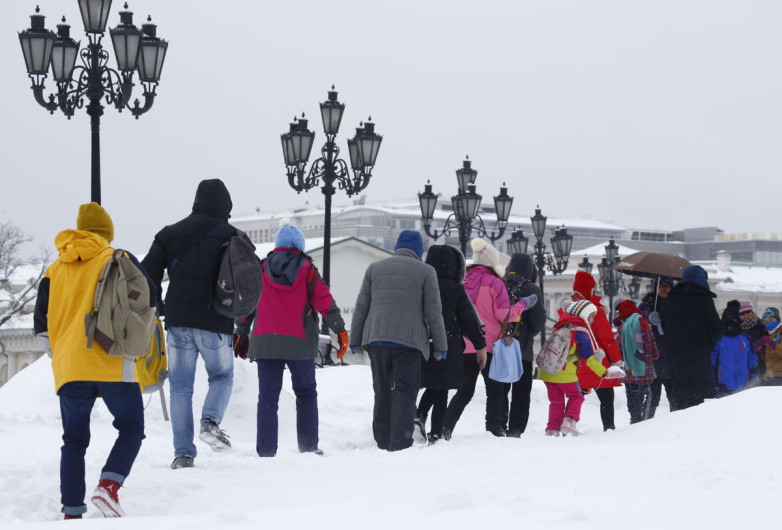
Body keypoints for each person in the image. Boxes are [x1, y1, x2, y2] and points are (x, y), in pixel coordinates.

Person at [33, 203, 155, 519]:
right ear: (107, 233)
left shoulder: (54, 269)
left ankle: (72, 511)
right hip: (112, 360)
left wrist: (61, 355)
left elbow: (40, 326)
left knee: (73, 439)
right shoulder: (119, 259)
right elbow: (149, 296)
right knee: (132, 427)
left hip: (70, 366)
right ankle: (109, 486)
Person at [141, 179, 238, 469]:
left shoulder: (170, 234)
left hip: (178, 322)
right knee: (221, 376)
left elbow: (147, 272)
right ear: (225, 205)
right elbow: (248, 279)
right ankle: (210, 421)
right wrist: (242, 317)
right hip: (216, 321)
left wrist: (158, 304)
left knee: (180, 388)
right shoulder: (232, 235)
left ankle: (183, 454)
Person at [233, 220, 348, 457]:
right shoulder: (308, 270)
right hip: (300, 343)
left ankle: (266, 451)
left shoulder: (261, 268)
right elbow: (324, 301)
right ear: (300, 245)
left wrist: (241, 333)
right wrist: (340, 330)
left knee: (267, 398)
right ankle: (308, 447)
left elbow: (247, 305)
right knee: (305, 393)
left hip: (266, 342)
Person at [350, 230, 448, 451]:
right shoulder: (426, 271)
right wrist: (441, 345)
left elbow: (361, 307)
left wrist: (355, 339)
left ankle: (382, 439)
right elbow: (434, 311)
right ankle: (400, 441)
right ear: (418, 250)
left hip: (378, 341)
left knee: (382, 390)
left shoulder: (375, 268)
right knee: (406, 390)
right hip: (409, 342)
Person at [441, 238, 537, 439]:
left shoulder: (463, 282)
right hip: (489, 346)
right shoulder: (495, 283)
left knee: (465, 391)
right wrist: (524, 305)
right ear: (493, 262)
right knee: (495, 390)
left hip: (465, 345)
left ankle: (446, 426)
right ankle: (494, 428)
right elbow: (504, 316)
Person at [415, 245, 486, 444]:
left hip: (423, 342)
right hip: (448, 343)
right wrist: (480, 346)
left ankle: (419, 416)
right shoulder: (455, 289)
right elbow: (469, 320)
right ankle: (435, 432)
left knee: (431, 383)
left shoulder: (423, 284)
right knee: (441, 388)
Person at [539, 299, 625, 437]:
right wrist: (604, 373)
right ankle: (569, 421)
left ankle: (552, 430)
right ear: (583, 315)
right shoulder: (580, 332)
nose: (592, 320)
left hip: (547, 372)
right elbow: (590, 359)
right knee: (577, 396)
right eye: (591, 316)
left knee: (556, 401)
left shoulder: (562, 326)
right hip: (564, 371)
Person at [659, 265, 722, 411]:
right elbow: (717, 331)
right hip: (698, 362)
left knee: (677, 405)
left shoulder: (669, 301)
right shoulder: (704, 301)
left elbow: (664, 328)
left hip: (676, 361)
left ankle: (674, 431)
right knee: (694, 408)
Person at [571, 271, 623, 431]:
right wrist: (617, 360)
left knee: (574, 397)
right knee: (607, 397)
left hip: (576, 362)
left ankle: (566, 426)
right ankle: (609, 429)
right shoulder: (594, 310)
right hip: (596, 361)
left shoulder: (569, 309)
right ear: (589, 289)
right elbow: (607, 339)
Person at [501, 252, 546, 437]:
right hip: (522, 350)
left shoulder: (500, 284)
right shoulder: (531, 289)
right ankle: (516, 428)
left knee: (500, 390)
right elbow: (538, 321)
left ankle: (499, 425)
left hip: (500, 346)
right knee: (521, 392)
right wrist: (527, 332)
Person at [615, 300, 658, 424]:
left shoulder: (623, 328)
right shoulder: (641, 322)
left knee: (633, 403)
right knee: (643, 399)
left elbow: (618, 349)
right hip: (644, 370)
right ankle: (640, 427)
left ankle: (635, 423)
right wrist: (652, 355)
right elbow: (651, 346)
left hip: (629, 372)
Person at [638, 276, 673, 417]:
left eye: (667, 286)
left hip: (670, 359)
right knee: (652, 398)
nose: (664, 289)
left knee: (674, 398)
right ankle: (646, 424)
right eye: (661, 286)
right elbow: (637, 329)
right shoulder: (646, 305)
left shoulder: (674, 305)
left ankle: (676, 426)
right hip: (652, 359)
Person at [712, 300, 758, 397]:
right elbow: (712, 361)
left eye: (733, 318)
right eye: (727, 318)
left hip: (744, 387)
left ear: (737, 319)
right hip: (723, 387)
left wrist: (753, 377)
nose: (730, 321)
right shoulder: (718, 338)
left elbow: (752, 360)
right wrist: (715, 383)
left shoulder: (745, 339)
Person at [738, 300, 770, 380]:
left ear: (752, 311)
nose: (746, 315)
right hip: (742, 365)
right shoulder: (736, 329)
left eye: (748, 311)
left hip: (760, 364)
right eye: (742, 313)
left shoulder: (762, 326)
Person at [760, 308, 782, 385]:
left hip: (780, 376)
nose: (768, 323)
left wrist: (772, 343)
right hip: (770, 375)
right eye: (766, 321)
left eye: (771, 320)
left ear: (777, 320)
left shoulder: (780, 332)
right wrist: (761, 352)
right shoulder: (769, 335)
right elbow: (770, 358)